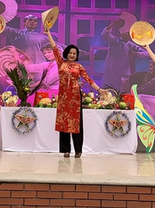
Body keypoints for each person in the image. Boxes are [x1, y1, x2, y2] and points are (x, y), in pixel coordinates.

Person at [44, 27, 108, 158]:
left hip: (75, 97)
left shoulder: (79, 67)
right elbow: (54, 47)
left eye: (74, 53)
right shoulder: (60, 62)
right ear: (66, 53)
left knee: (76, 123)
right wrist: (48, 33)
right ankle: (65, 150)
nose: (72, 55)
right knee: (64, 123)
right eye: (70, 53)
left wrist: (100, 90)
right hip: (63, 97)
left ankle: (78, 150)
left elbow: (89, 80)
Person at [101, 13, 149, 92]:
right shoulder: (114, 41)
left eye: (128, 34)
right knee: (109, 91)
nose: (127, 35)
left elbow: (147, 53)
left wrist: (136, 54)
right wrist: (110, 26)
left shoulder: (130, 45)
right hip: (111, 71)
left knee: (123, 91)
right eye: (125, 34)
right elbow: (105, 36)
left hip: (124, 73)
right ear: (121, 34)